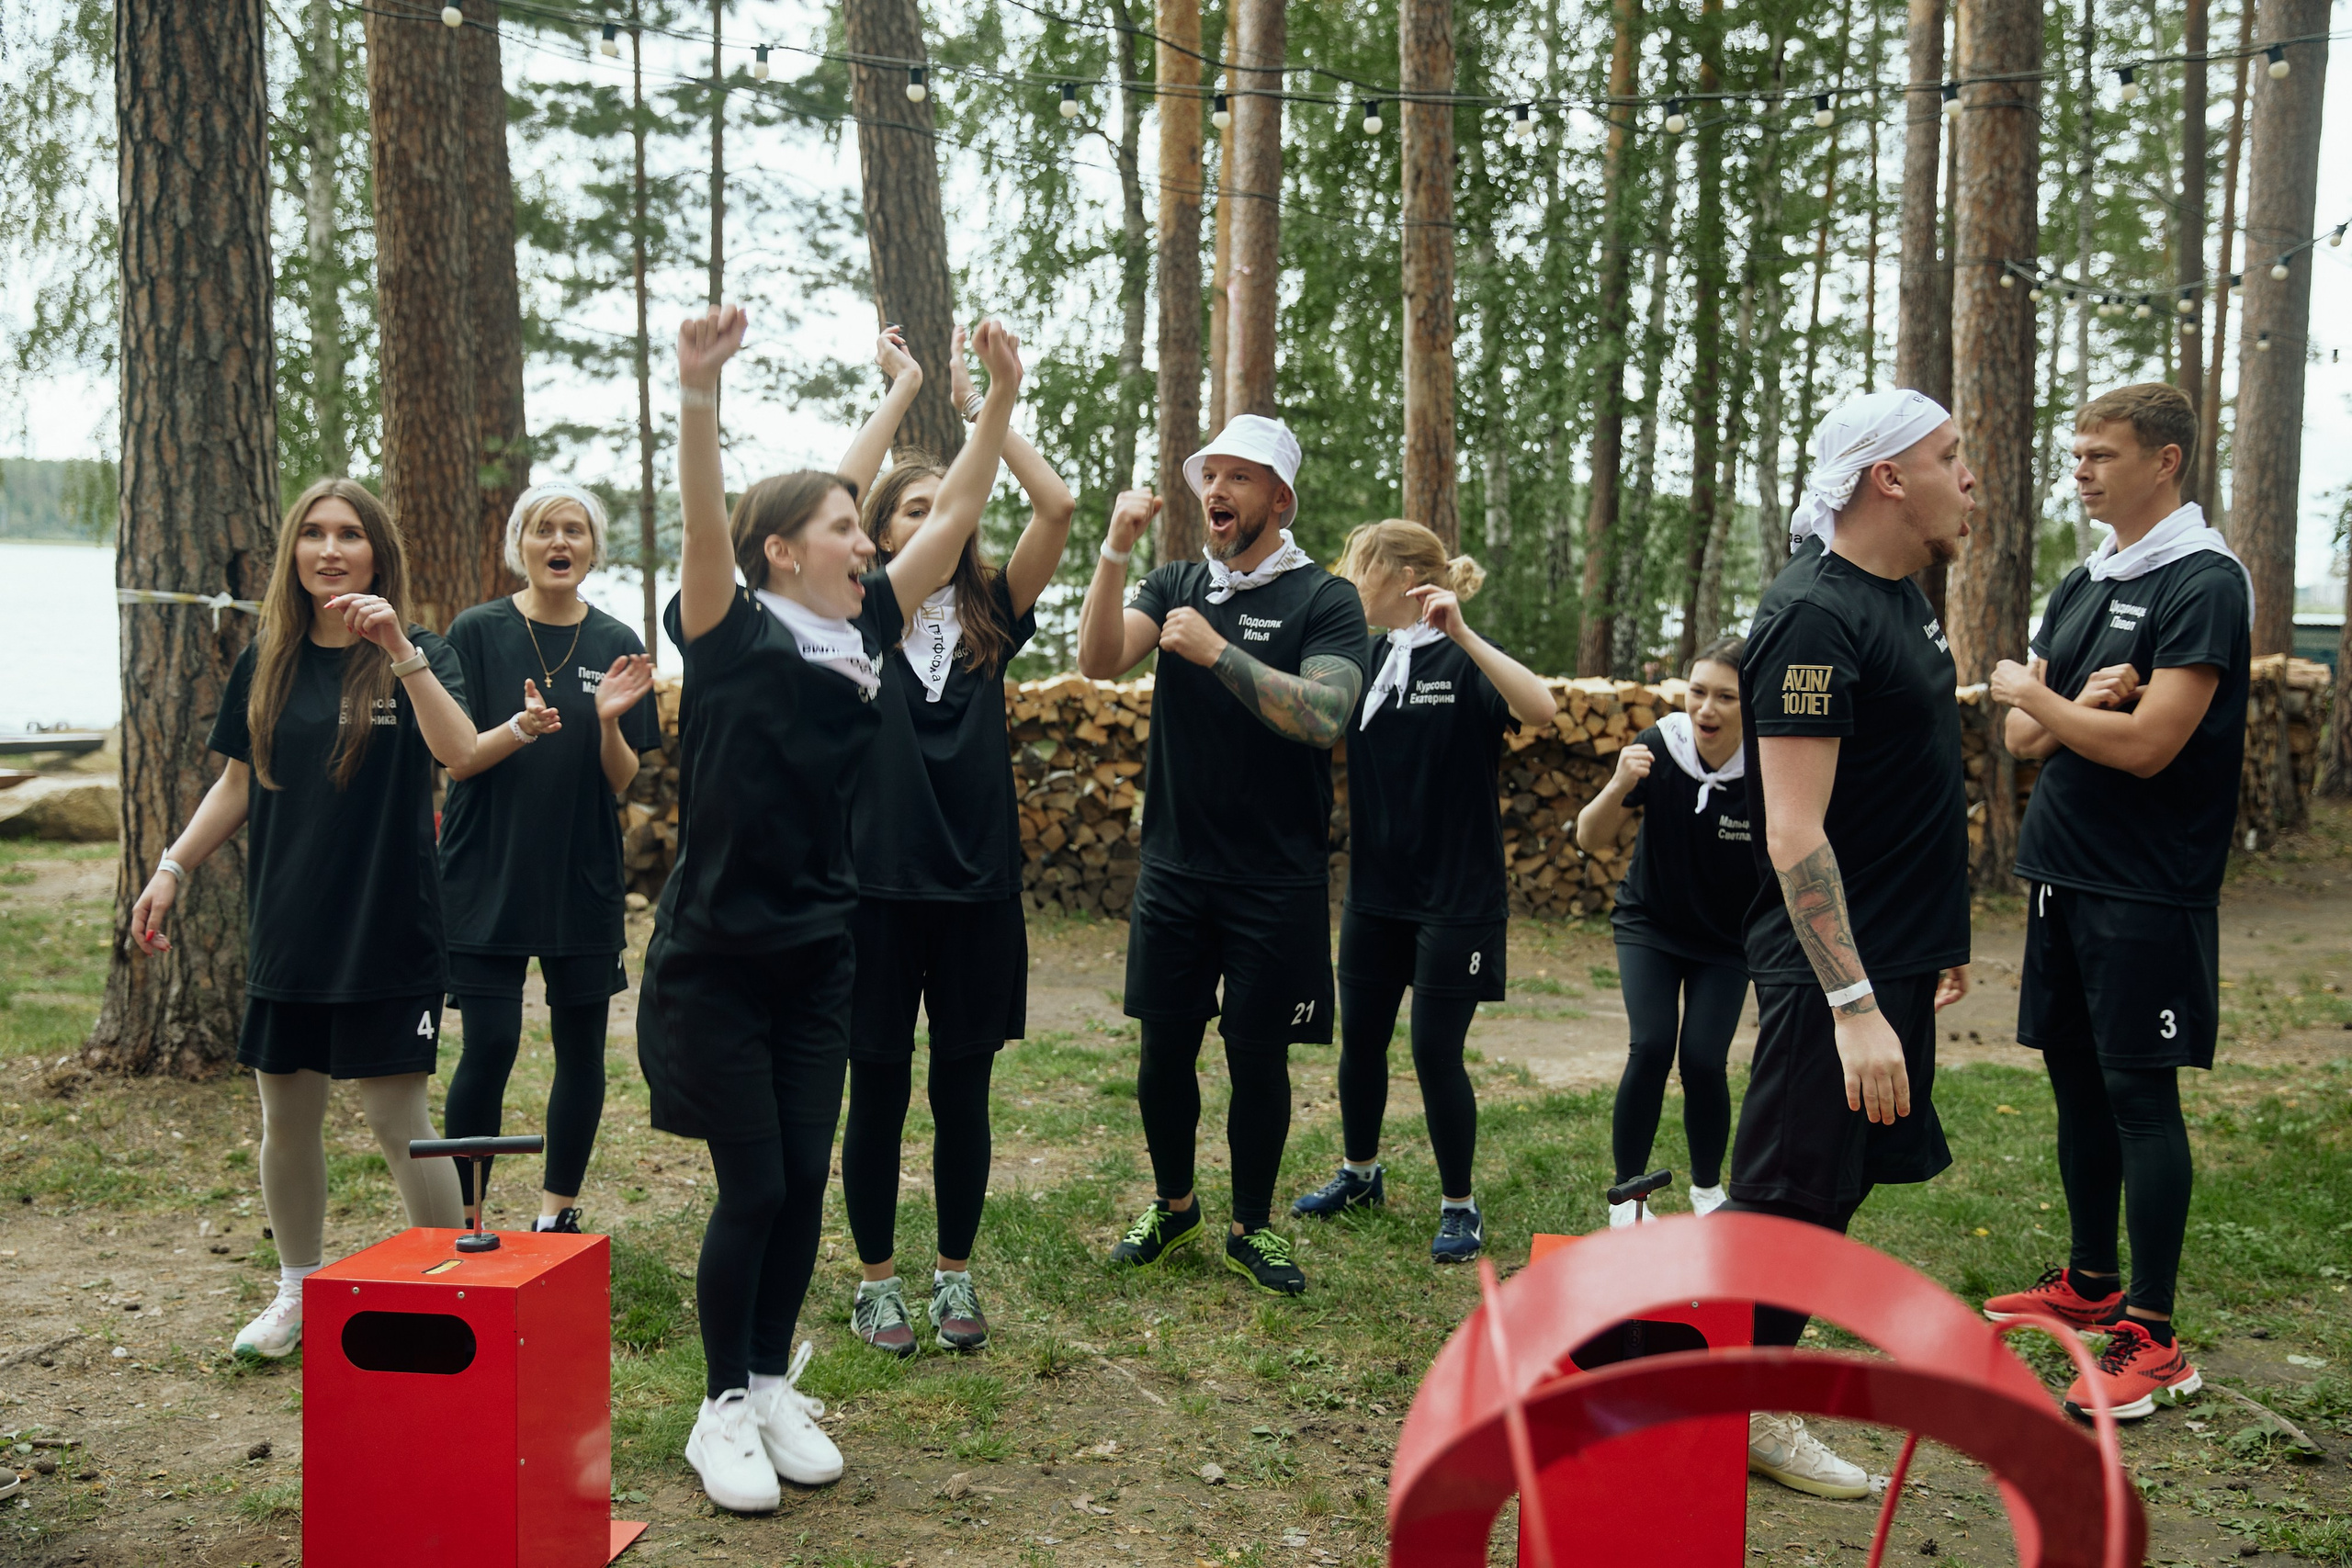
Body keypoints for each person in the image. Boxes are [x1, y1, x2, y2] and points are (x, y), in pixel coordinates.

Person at [634, 305, 1022, 1514]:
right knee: (751, 1186)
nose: (869, 534)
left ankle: (765, 1382)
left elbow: (953, 510)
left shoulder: (864, 624)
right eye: (847, 523)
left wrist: (990, 398)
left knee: (803, 1179)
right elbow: (710, 517)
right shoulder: (729, 626)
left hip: (820, 952)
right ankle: (716, 1407)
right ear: (785, 548)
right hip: (714, 961)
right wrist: (698, 393)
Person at [128, 479, 485, 1360]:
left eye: (350, 535)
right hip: (289, 924)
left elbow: (459, 752)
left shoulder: (423, 648)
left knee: (399, 1117)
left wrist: (399, 645)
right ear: (293, 553)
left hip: (390, 924)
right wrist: (173, 865)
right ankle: (296, 1287)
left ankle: (449, 1287)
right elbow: (239, 784)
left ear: (377, 552)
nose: (331, 550)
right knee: (285, 1115)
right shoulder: (269, 659)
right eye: (314, 534)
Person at [1983, 382, 2250, 1422]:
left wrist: (2044, 700)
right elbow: (2021, 741)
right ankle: (2091, 1283)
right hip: (2062, 873)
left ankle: (2154, 1334)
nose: (2079, 469)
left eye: (2099, 454)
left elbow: (2150, 746)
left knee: (2141, 1098)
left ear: (2165, 461)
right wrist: (2059, 705)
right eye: (2076, 453)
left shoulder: (2203, 580)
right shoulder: (2086, 580)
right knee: (2075, 1086)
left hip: (2147, 886)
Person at [1729, 389, 1975, 1497]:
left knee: (1829, 1190)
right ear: (1888, 477)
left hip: (1899, 955)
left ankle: (1748, 1389)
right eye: (1948, 456)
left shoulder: (1904, 599)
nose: (1966, 477)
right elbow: (1792, 826)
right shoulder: (1814, 616)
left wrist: (1937, 939)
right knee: (1784, 1190)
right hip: (1839, 979)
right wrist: (1854, 1003)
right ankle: (1733, 1406)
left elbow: (1911, 779)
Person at [1075, 415, 1370, 1297]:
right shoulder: (1172, 582)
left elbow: (1325, 715)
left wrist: (1219, 651)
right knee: (1163, 1050)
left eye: (1240, 478)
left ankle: (1252, 1225)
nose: (1217, 491)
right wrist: (1115, 551)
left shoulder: (1327, 599)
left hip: (1275, 876)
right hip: (1174, 866)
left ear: (1279, 499)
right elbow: (1096, 661)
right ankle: (1174, 1207)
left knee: (1257, 1056)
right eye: (1211, 476)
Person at [838, 325, 1075, 1357]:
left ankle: (953, 1277)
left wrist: (998, 402)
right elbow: (832, 500)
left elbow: (1056, 508)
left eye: (948, 507)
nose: (938, 519)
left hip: (978, 890)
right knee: (879, 1087)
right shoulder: (851, 620)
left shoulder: (996, 610)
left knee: (961, 1090)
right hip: (873, 890)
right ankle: (877, 1282)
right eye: (914, 509)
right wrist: (907, 390)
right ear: (881, 534)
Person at [1286, 520, 1555, 1263]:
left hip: (1457, 898)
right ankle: (1360, 1173)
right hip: (1374, 892)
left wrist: (1464, 635)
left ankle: (1459, 1205)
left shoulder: (1468, 660)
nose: (1345, 579)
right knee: (1361, 1044)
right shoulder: (1361, 656)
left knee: (1436, 1050)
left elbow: (1542, 711)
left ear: (1404, 576)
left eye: (1357, 567)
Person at [437, 483, 658, 1235]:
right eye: (544, 529)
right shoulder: (476, 630)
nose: (559, 542)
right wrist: (520, 726)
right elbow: (456, 755)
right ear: (520, 545)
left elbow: (624, 778)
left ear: (593, 549)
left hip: (581, 869)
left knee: (581, 1049)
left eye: (575, 530)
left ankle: (554, 1213)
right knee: (491, 1042)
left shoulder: (617, 641)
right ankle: (465, 1213)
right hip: (484, 867)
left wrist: (605, 723)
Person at [1576, 637, 1758, 1225]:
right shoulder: (1659, 747)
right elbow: (1589, 839)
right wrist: (1618, 783)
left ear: (1750, 703)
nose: (1706, 709)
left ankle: (1708, 1193)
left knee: (1705, 1059)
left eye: (1726, 697)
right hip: (1650, 925)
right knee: (1652, 1045)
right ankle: (1628, 1201)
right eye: (1698, 692)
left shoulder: (1771, 763)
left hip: (1728, 941)